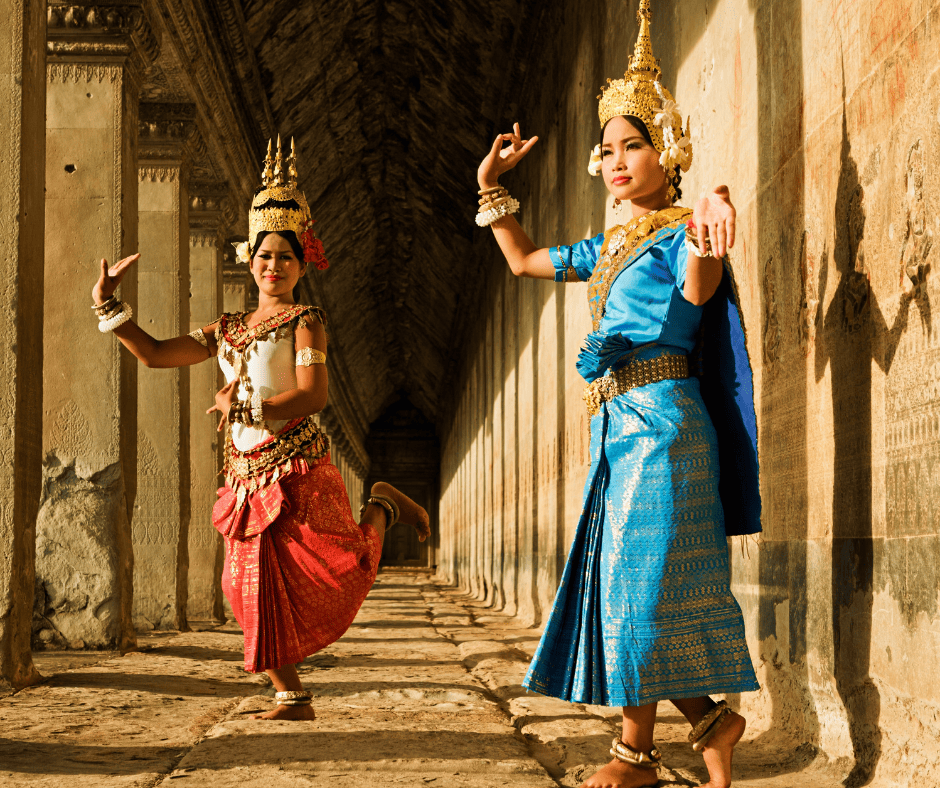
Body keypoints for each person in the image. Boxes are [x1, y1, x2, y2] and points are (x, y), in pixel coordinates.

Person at [475, 3, 761, 787]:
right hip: (619, 430)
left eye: (631, 144)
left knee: (637, 589)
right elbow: (527, 262)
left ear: (667, 150)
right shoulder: (606, 247)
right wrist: (490, 187)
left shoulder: (675, 234)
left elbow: (698, 292)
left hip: (668, 424)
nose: (614, 160)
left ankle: (635, 754)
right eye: (605, 149)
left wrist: (709, 218)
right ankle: (710, 720)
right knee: (625, 592)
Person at [91, 137, 430, 721]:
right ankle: (291, 693)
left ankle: (383, 505)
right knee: (241, 587)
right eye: (264, 257)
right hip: (246, 475)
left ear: (303, 264)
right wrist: (110, 307)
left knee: (338, 572)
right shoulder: (224, 328)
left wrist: (244, 410)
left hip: (297, 466)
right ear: (250, 260)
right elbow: (153, 354)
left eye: (286, 258)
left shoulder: (306, 322)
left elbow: (313, 395)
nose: (273, 267)